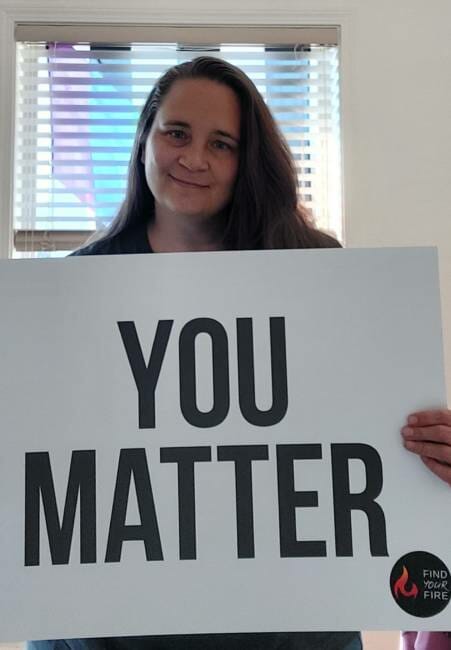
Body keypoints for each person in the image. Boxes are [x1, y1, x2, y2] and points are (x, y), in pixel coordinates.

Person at [27, 56, 451, 650]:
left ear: (245, 161)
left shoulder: (323, 277)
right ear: (145, 136)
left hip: (292, 633)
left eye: (222, 144)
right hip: (104, 636)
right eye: (177, 132)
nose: (194, 158)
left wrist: (430, 455)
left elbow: (370, 438)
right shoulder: (68, 294)